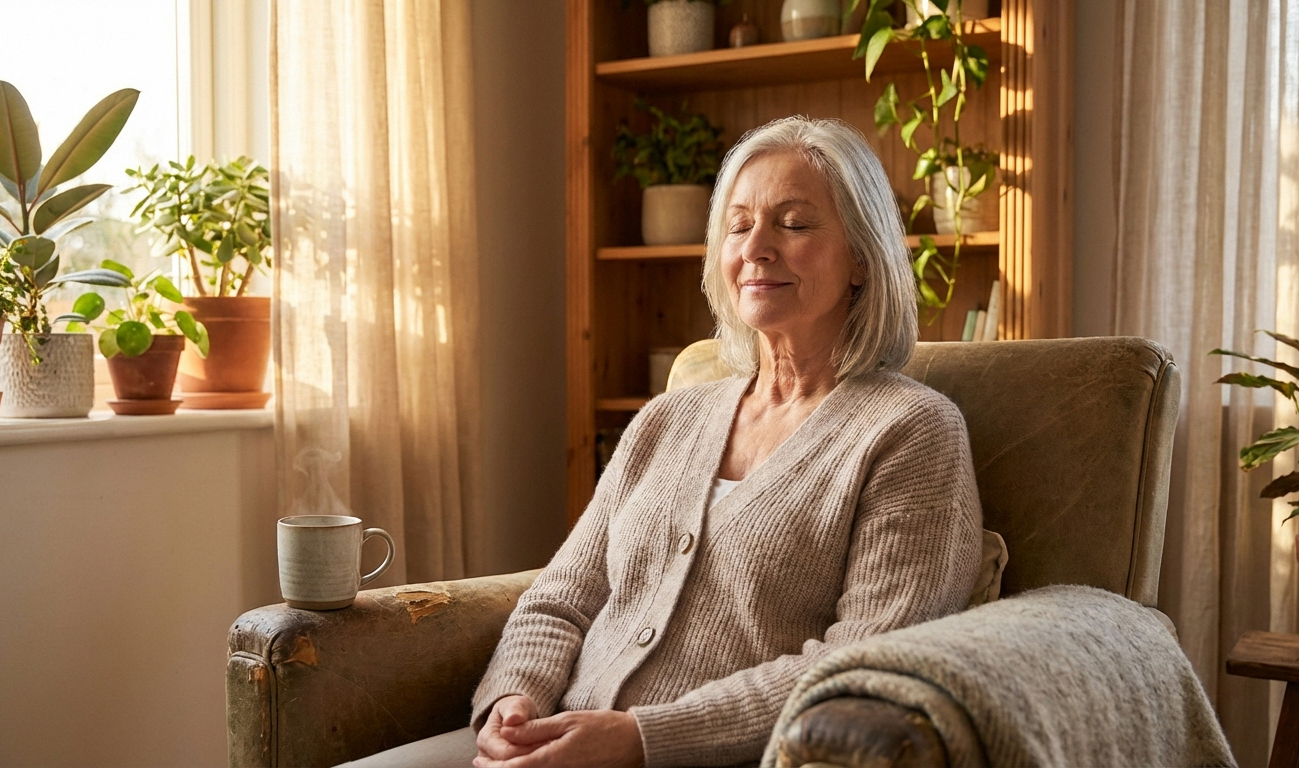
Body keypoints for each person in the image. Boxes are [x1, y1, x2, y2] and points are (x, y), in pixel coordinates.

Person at [351, 116, 983, 768]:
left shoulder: (912, 431)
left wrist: (642, 739)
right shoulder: (667, 419)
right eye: (738, 226)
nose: (757, 247)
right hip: (553, 740)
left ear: (861, 255)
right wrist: (515, 699)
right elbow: (563, 596)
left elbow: (866, 661)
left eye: (793, 224)